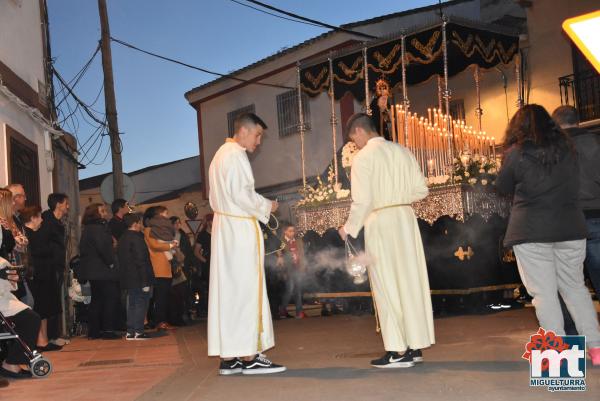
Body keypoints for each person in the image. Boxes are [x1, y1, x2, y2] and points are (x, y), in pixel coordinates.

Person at [496, 104, 600, 366]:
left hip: (531, 231)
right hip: (570, 227)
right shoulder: (569, 150)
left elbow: (502, 186)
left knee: (544, 294)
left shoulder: (516, 153)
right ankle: (597, 348)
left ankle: (558, 355)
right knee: (575, 288)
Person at [338, 113, 434, 368]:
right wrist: (398, 195)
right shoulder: (403, 151)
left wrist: (348, 228)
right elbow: (422, 189)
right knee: (409, 282)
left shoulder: (364, 158)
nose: (354, 145)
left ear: (359, 131)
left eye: (353, 139)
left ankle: (396, 350)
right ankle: (415, 346)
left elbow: (363, 200)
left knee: (387, 284)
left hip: (381, 221)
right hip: (405, 218)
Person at [208, 112, 285, 375]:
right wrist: (268, 205)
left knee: (230, 293)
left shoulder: (220, 154)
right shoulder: (235, 155)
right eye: (257, 135)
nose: (258, 141)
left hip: (226, 229)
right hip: (238, 229)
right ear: (243, 131)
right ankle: (250, 355)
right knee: (245, 290)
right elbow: (242, 194)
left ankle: (231, 357)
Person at [552, 105, 600, 297]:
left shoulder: (551, 149)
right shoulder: (596, 142)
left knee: (569, 278)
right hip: (595, 215)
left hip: (565, 220)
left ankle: (576, 324)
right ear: (578, 120)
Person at [21, 206, 62, 351]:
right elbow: (41, 252)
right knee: (39, 308)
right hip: (37, 277)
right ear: (32, 218)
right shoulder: (28, 235)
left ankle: (43, 339)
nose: (42, 219)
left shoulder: (37, 233)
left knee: (44, 309)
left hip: (45, 275)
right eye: (39, 216)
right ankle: (40, 340)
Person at [78, 203, 120, 340]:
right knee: (109, 299)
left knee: (97, 300)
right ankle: (108, 330)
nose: (106, 213)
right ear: (95, 214)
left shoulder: (88, 228)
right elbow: (103, 248)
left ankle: (94, 332)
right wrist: (111, 262)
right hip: (103, 270)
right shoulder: (98, 228)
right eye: (102, 211)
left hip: (93, 271)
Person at [0, 257, 41, 379]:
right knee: (31, 319)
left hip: (4, 299)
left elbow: (10, 283)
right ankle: (11, 363)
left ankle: (15, 360)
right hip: (3, 303)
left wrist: (11, 277)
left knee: (30, 318)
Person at [118, 213, 154, 340]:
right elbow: (141, 260)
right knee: (140, 303)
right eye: (139, 223)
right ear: (135, 224)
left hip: (128, 277)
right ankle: (138, 331)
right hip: (139, 277)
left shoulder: (123, 238)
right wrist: (145, 281)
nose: (141, 225)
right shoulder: (137, 238)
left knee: (132, 303)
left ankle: (130, 331)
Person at [38, 193, 69, 343]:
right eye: (66, 203)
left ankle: (55, 335)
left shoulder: (58, 221)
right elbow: (44, 243)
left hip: (57, 265)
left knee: (56, 299)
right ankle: (51, 336)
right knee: (50, 300)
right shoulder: (46, 220)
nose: (68, 206)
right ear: (58, 205)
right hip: (49, 266)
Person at [143, 206, 176, 331]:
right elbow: (155, 245)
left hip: (166, 266)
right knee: (160, 297)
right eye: (165, 213)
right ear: (158, 215)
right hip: (158, 267)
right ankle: (159, 322)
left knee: (164, 296)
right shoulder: (149, 230)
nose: (167, 216)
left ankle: (162, 321)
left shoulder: (162, 230)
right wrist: (170, 245)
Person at [276, 223, 305, 319]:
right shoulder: (280, 242)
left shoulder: (298, 241)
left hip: (297, 268)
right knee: (290, 289)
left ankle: (299, 312)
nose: (292, 233)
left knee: (298, 290)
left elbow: (302, 255)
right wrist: (283, 272)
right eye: (290, 231)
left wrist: (303, 267)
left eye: (293, 231)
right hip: (287, 270)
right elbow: (279, 257)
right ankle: (282, 310)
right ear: (285, 231)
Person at [168, 216, 189, 326]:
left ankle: (180, 316)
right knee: (174, 295)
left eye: (179, 223)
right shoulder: (168, 235)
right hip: (173, 266)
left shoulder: (183, 235)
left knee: (181, 294)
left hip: (181, 266)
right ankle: (174, 318)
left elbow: (186, 251)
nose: (178, 225)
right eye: (175, 223)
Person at [194, 214, 212, 316]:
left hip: (219, 263)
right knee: (209, 287)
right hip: (208, 264)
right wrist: (205, 261)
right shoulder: (202, 235)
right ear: (208, 222)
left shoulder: (220, 232)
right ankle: (207, 309)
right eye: (211, 221)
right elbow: (196, 252)